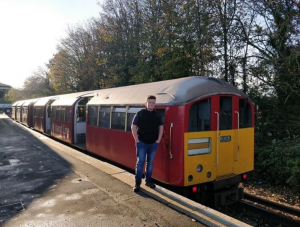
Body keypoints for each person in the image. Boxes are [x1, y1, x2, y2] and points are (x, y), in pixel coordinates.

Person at [131, 95, 164, 192]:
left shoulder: (157, 115)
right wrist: (136, 139)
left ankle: (148, 181)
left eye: (153, 102)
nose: (151, 104)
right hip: (142, 142)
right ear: (146, 103)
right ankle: (137, 184)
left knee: (150, 163)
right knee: (140, 163)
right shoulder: (140, 113)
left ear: (155, 103)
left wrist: (158, 140)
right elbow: (133, 126)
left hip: (153, 143)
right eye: (150, 102)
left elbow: (161, 127)